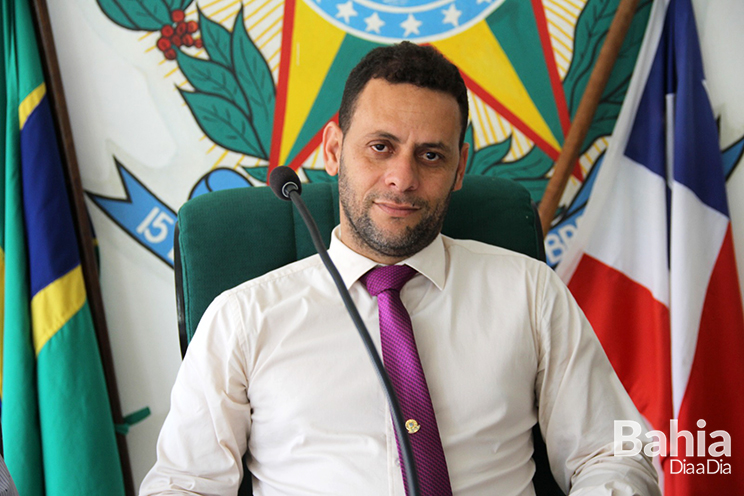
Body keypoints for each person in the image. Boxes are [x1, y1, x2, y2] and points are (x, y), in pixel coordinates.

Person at [141, 42, 659, 495]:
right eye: (380, 147)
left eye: (431, 155)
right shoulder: (243, 318)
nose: (402, 178)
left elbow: (614, 453)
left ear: (459, 169)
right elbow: (184, 486)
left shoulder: (529, 293)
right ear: (333, 149)